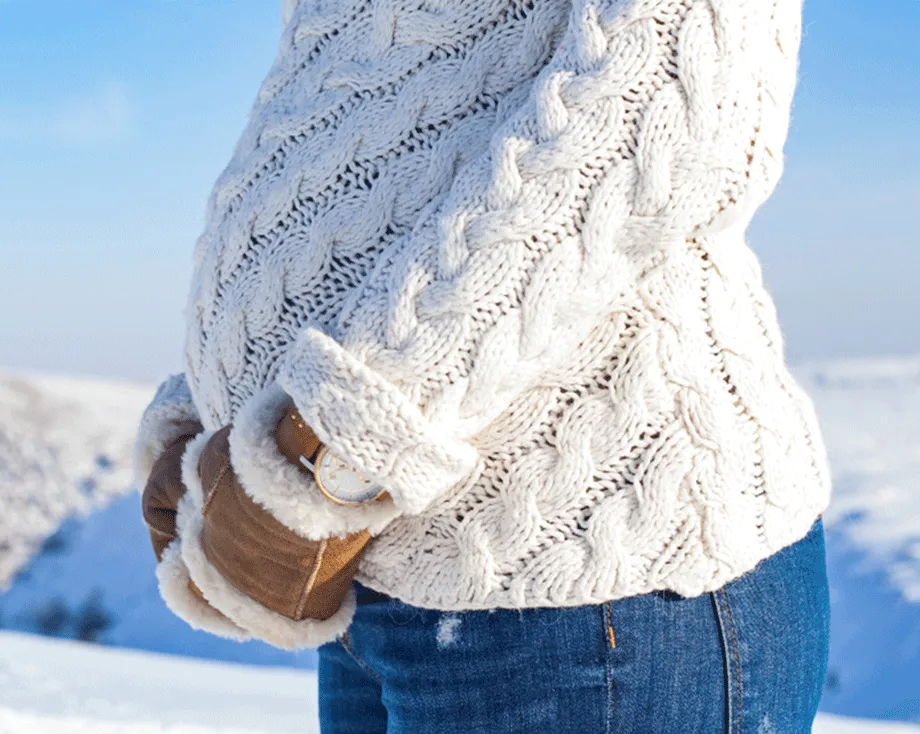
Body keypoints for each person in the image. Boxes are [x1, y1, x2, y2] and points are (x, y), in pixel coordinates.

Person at [135, 0, 831, 731]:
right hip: (369, 569)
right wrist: (223, 409)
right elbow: (352, 133)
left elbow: (663, 117)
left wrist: (335, 452)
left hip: (587, 586)